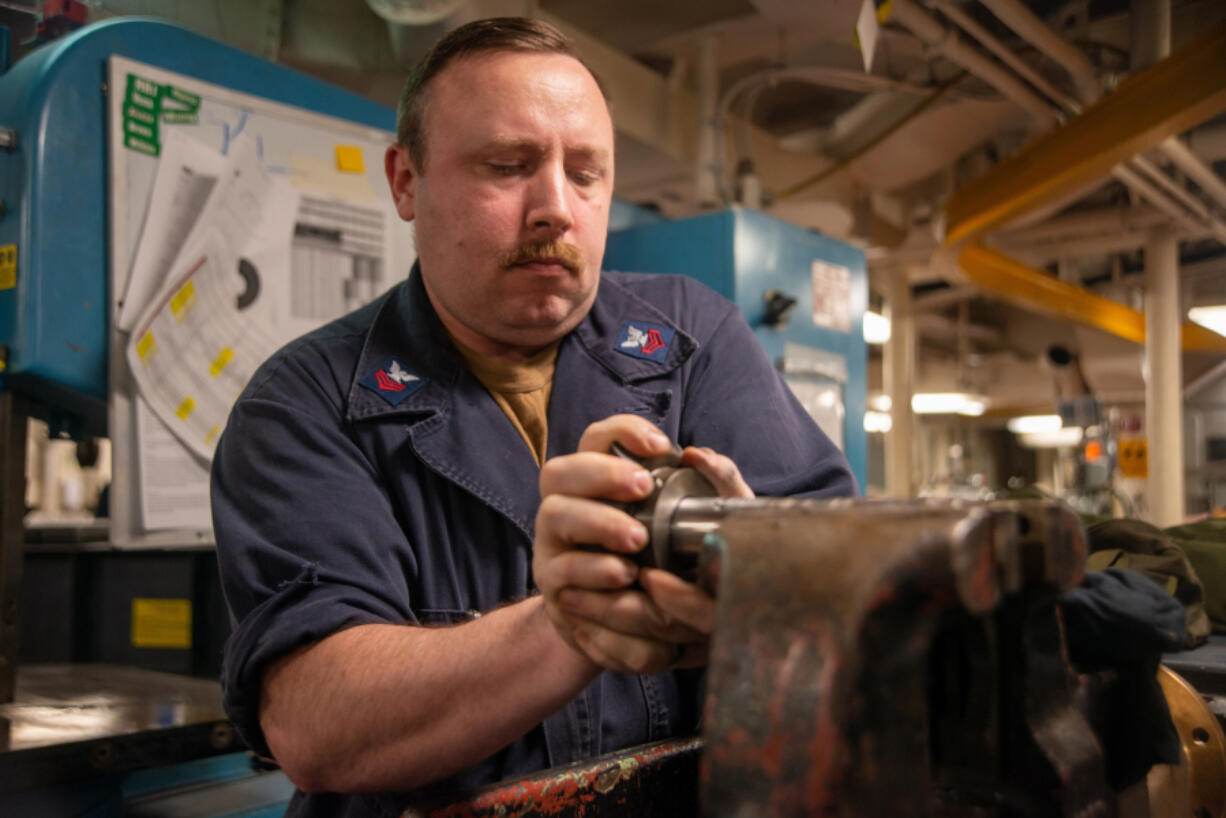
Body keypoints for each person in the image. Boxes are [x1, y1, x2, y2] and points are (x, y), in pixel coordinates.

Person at [211, 16, 856, 817]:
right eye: (508, 166)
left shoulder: (695, 341)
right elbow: (317, 724)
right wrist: (574, 622)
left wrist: (763, 574)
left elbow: (852, 594)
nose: (555, 206)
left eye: (585, 173)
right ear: (406, 182)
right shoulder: (306, 404)